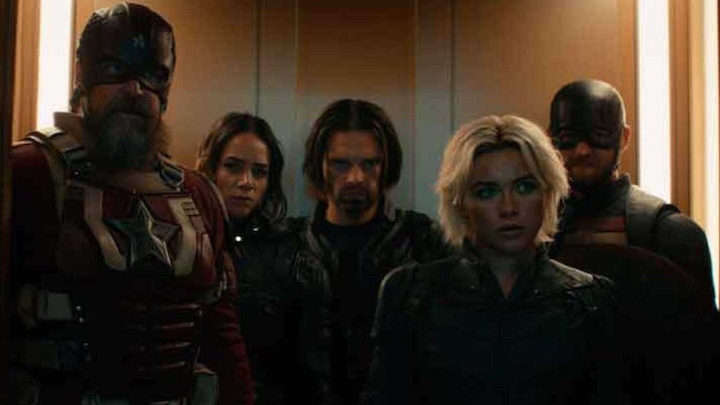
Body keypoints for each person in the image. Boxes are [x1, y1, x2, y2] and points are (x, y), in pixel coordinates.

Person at [7, 4, 253, 404]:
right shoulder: (26, 175)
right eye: (115, 69)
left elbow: (222, 335)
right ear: (82, 76)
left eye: (153, 75)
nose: (136, 90)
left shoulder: (198, 195)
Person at [363, 114, 619, 405]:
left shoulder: (590, 299)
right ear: (461, 204)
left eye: (524, 187)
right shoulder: (410, 293)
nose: (508, 207)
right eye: (487, 192)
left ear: (547, 194)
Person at [548, 79, 719, 403]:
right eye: (569, 137)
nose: (582, 151)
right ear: (551, 138)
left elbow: (701, 357)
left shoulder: (670, 233)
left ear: (623, 137)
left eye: (598, 136)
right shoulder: (533, 228)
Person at [291, 98, 451, 405]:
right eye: (340, 164)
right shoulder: (290, 246)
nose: (355, 178)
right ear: (320, 165)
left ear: (385, 165)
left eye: (369, 164)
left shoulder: (424, 242)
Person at [197, 112, 295, 404]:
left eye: (259, 172)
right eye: (233, 167)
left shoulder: (284, 251)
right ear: (212, 168)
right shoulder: (188, 239)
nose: (246, 182)